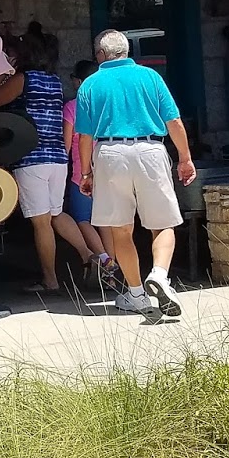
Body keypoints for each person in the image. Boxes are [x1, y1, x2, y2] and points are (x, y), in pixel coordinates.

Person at [73, 30, 195, 316]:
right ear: (127, 51)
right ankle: (160, 275)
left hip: (109, 153)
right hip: (150, 149)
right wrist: (185, 158)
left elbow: (85, 137)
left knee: (121, 229)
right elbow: (174, 121)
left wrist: (86, 173)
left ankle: (137, 295)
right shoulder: (150, 77)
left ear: (100, 55)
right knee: (163, 224)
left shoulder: (90, 84)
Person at [0, 30, 98, 294]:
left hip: (32, 157)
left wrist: (1, 73)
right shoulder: (54, 81)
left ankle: (50, 280)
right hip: (57, 158)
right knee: (56, 213)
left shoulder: (23, 78)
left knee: (41, 222)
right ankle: (90, 256)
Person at [62, 58, 117, 289]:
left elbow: (66, 145)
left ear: (77, 81)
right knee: (106, 222)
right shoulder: (107, 106)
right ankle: (113, 275)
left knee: (82, 219)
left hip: (82, 173)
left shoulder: (72, 107)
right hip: (108, 170)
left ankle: (104, 259)